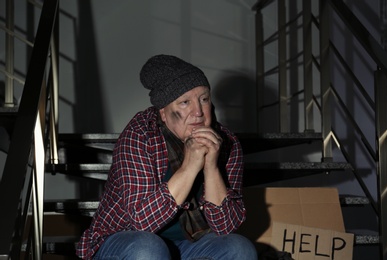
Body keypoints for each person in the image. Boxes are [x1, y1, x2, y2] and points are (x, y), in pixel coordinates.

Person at [76, 54, 257, 259]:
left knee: (239, 249)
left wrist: (211, 166)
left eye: (204, 99)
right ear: (163, 113)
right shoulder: (140, 136)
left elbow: (226, 227)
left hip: (189, 245)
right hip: (125, 242)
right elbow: (142, 222)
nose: (198, 112)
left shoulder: (227, 142)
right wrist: (190, 166)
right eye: (184, 102)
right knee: (149, 249)